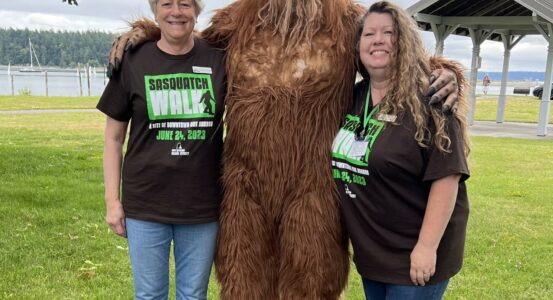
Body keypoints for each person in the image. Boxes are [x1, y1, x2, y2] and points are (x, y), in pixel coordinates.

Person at [106, 1, 464, 298]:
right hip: (246, 186)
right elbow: (186, 43)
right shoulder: (238, 19)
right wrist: (148, 33)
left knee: (311, 281)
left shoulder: (346, 20)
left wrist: (439, 72)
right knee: (244, 281)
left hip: (314, 186)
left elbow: (388, 56)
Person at [331, 2, 470, 299]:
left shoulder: (432, 99)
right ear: (357, 46)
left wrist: (426, 247)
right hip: (374, 255)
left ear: (404, 42)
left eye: (388, 32)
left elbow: (447, 178)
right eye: (368, 34)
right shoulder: (351, 99)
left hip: (414, 256)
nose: (377, 39)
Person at [97, 0, 226, 299]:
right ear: (155, 10)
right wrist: (112, 201)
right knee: (149, 294)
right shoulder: (133, 60)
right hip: (145, 203)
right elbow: (113, 139)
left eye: (185, 4)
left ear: (197, 11)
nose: (176, 12)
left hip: (202, 205)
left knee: (193, 294)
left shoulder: (219, 58)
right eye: (167, 3)